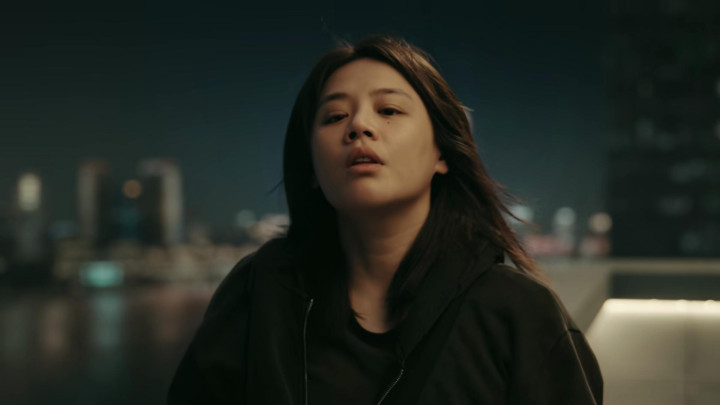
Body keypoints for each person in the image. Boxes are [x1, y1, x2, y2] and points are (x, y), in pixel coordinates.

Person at [168, 35, 603, 404]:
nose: (359, 125)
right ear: (312, 168)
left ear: (442, 154)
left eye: (389, 111)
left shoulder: (519, 312)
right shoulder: (258, 292)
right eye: (335, 116)